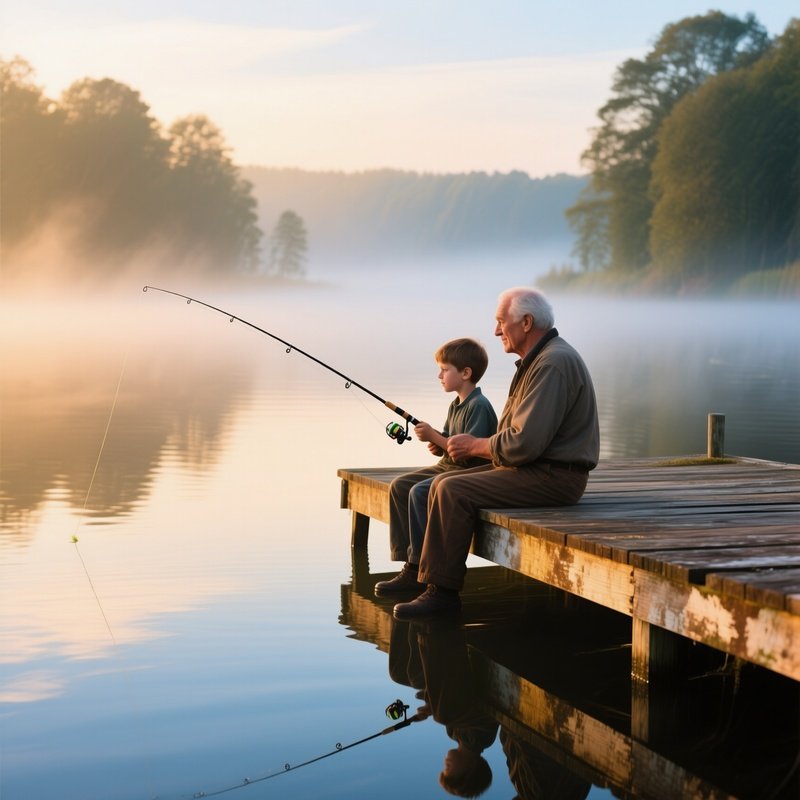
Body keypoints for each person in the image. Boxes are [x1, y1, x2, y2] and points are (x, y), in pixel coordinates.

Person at [393, 286, 600, 619]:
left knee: (450, 488)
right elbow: (517, 439)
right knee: (435, 486)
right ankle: (423, 577)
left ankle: (442, 593)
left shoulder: (552, 364)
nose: (495, 331)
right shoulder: (538, 361)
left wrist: (475, 445)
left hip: (553, 477)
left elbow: (523, 444)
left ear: (527, 322)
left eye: (501, 322)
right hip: (532, 469)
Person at [375, 338, 497, 597]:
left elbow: (468, 454)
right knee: (400, 486)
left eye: (445, 369)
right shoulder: (456, 404)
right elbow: (449, 443)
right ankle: (410, 563)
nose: (439, 375)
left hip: (465, 473)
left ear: (465, 373)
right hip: (447, 466)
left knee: (420, 492)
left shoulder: (479, 406)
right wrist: (437, 443)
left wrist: (436, 438)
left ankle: (420, 566)